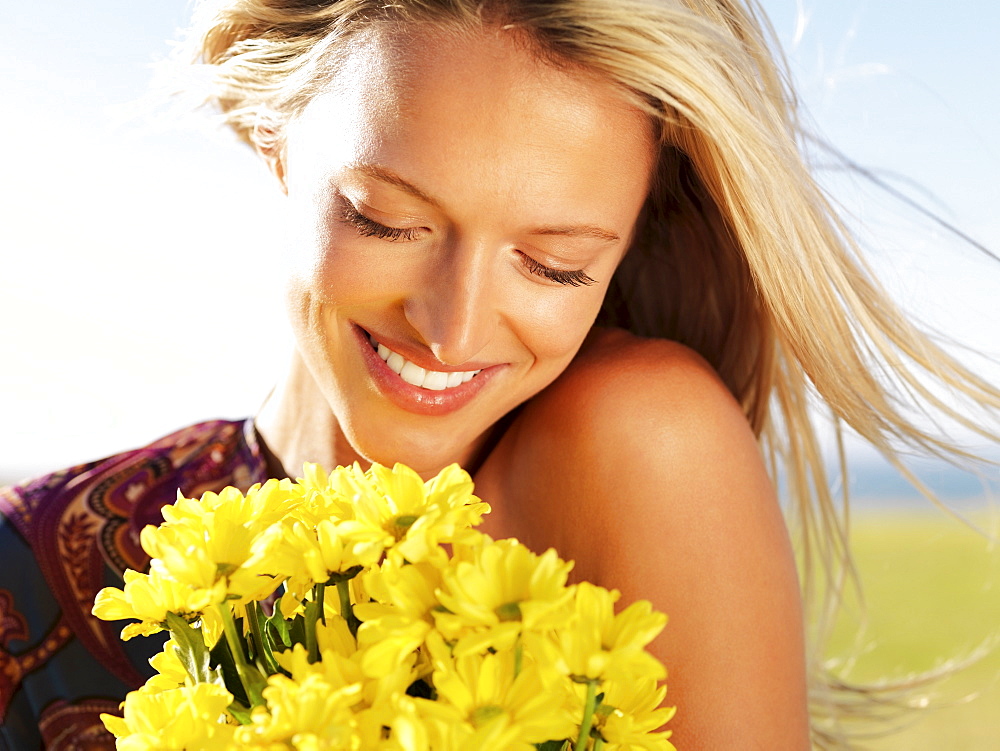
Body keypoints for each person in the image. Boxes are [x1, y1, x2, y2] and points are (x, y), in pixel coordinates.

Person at [1, 0, 997, 748]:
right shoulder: (26, 565)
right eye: (384, 219)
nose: (453, 326)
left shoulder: (643, 440)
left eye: (555, 262)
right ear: (272, 134)